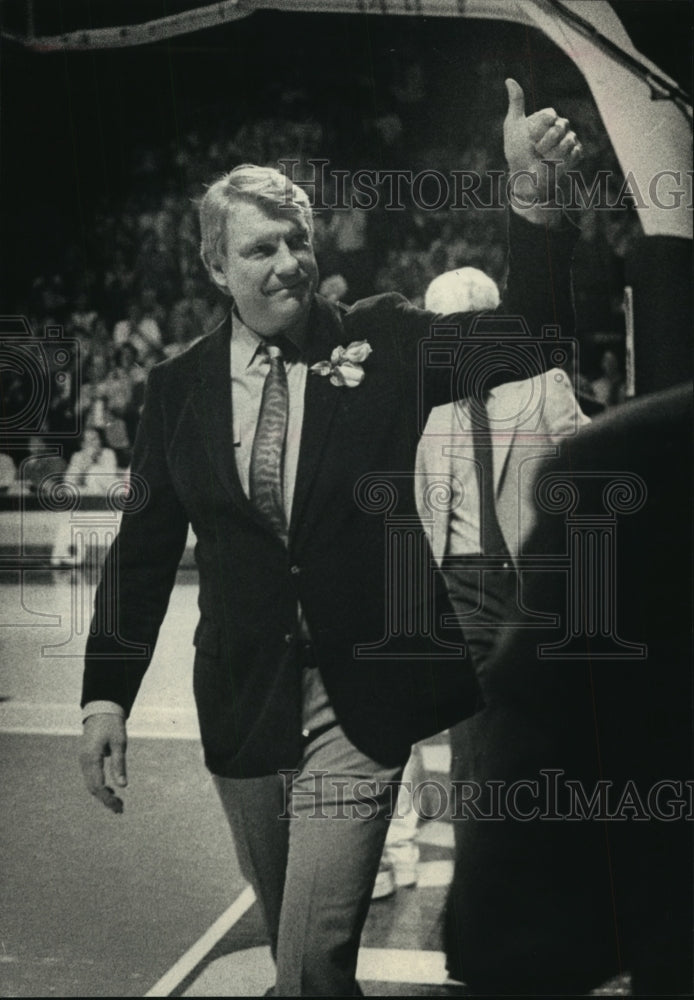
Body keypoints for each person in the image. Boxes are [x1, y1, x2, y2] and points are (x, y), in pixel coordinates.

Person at [79, 79, 583, 997]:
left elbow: (534, 337)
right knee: (292, 945)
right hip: (243, 704)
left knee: (312, 959)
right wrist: (103, 696)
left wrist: (534, 198)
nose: (285, 265)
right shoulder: (176, 389)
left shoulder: (384, 341)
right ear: (214, 267)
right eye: (259, 248)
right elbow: (144, 551)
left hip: (365, 697)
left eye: (297, 241)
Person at [442, 382, 693, 996]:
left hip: (530, 574)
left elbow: (545, 719)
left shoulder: (614, 448)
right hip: (463, 581)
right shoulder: (430, 411)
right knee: (474, 737)